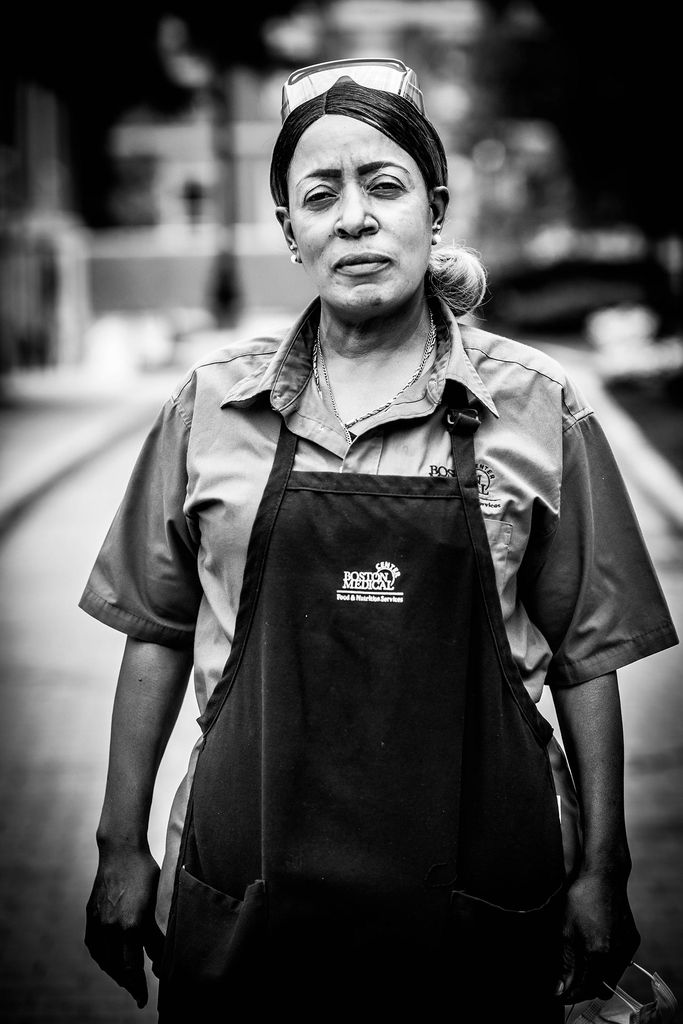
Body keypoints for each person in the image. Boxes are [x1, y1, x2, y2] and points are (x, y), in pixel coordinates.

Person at [80, 58, 678, 1022]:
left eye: (384, 185)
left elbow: (586, 658)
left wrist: (602, 870)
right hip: (247, 904)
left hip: (480, 907)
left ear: (433, 208)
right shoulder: (208, 410)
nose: (354, 217)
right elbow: (152, 628)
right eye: (320, 195)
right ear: (288, 230)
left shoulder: (536, 408)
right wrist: (118, 848)